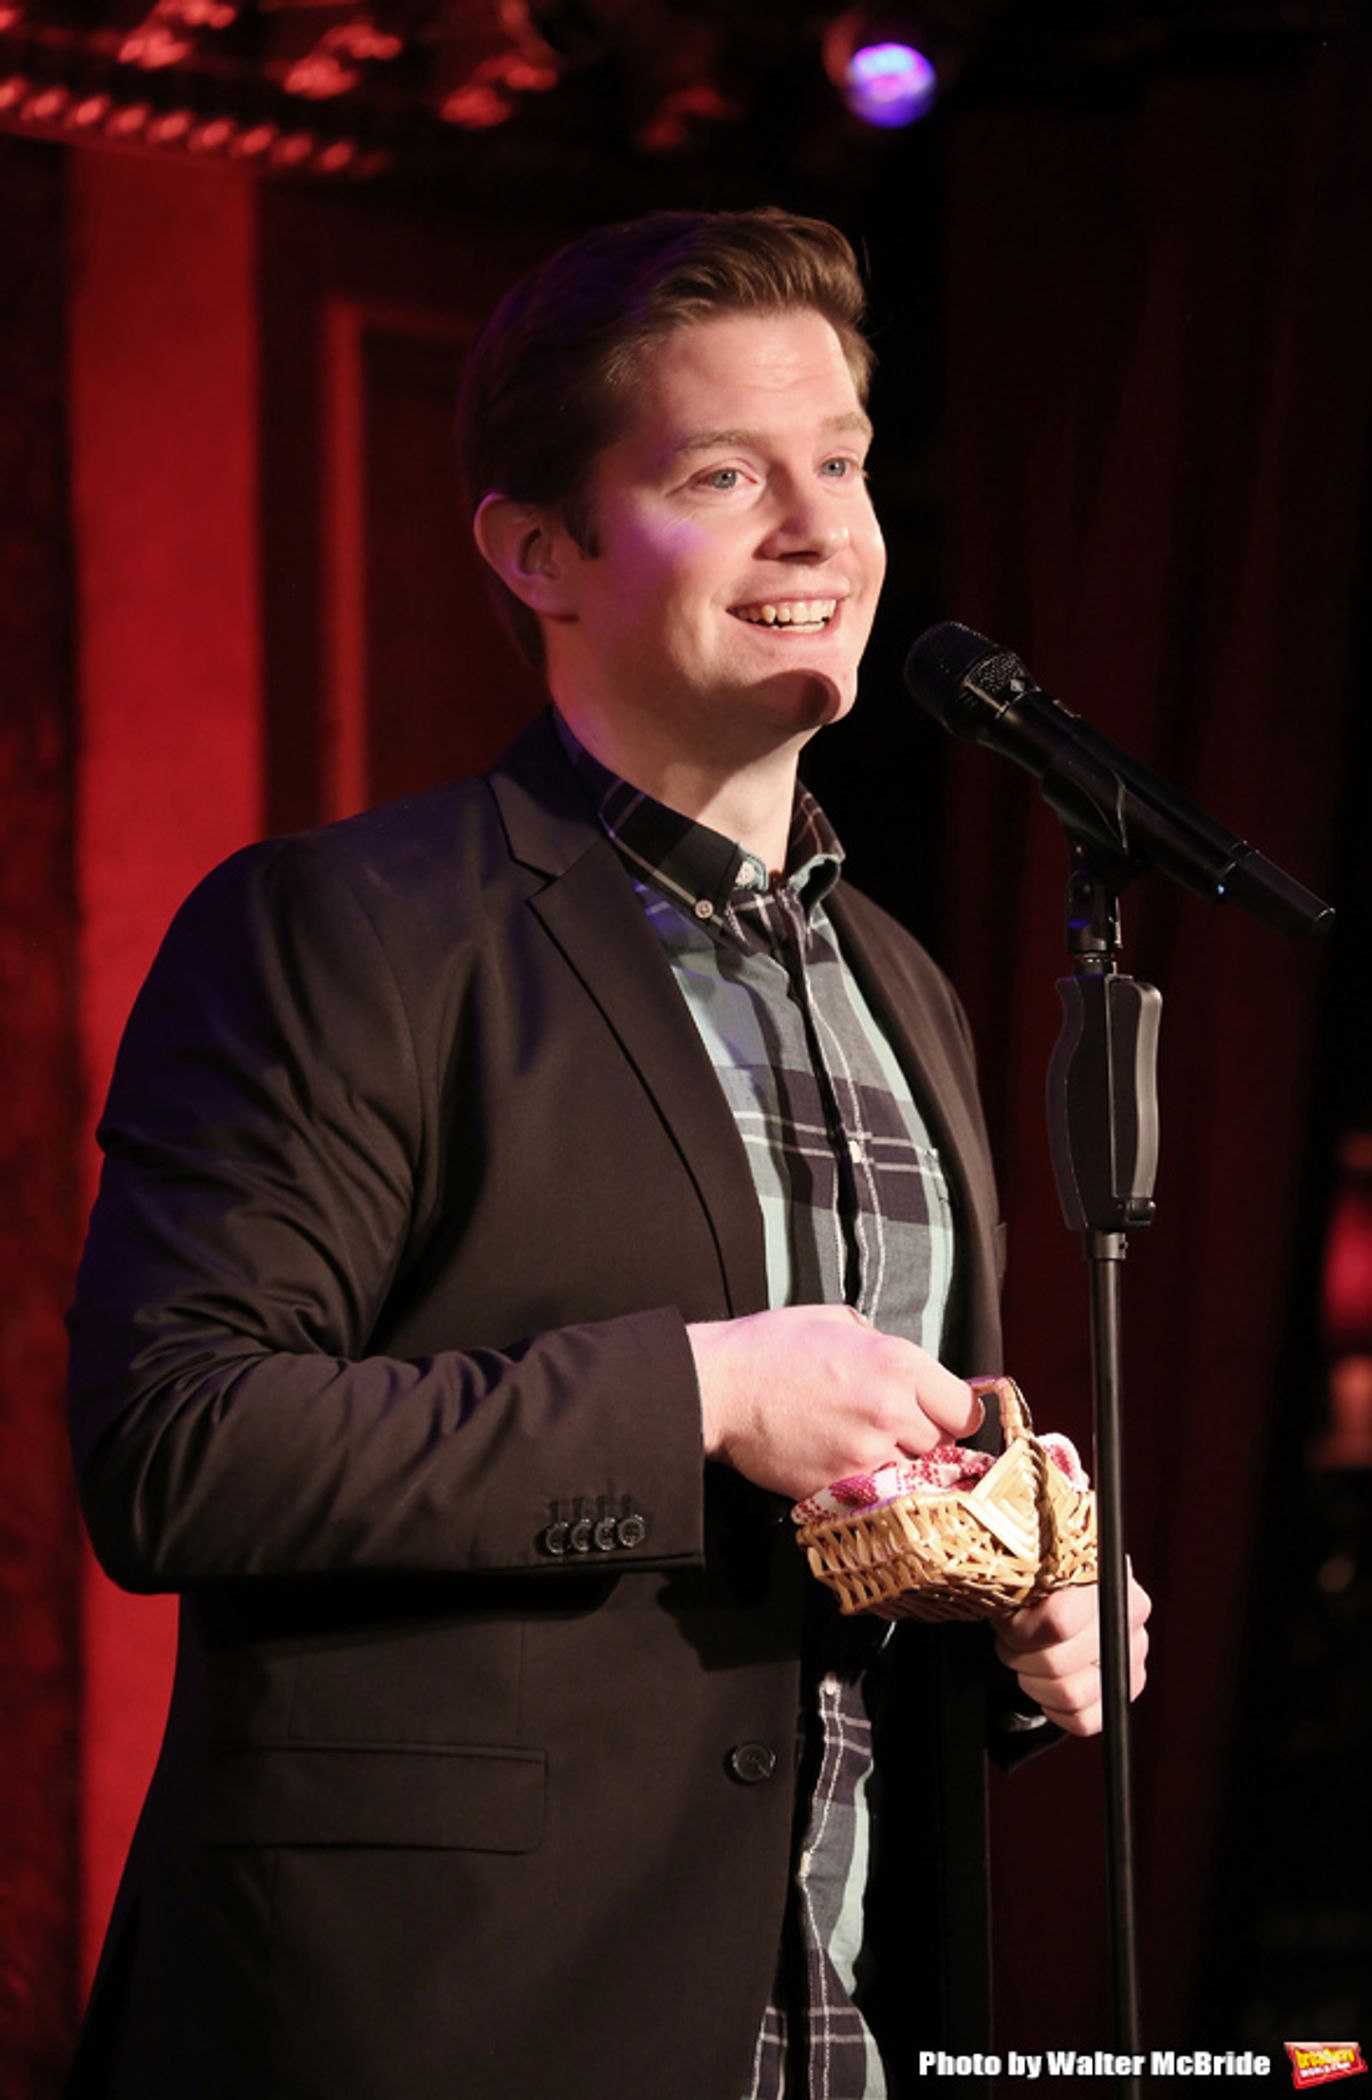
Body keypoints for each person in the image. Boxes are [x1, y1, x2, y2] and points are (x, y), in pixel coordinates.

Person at [66, 207, 1150, 2100]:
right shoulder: (348, 930)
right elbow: (176, 1445)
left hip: (833, 2024)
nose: (821, 529)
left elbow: (837, 1548)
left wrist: (1020, 1589)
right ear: (539, 549)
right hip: (446, 2025)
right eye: (728, 474)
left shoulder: (899, 983)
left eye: (843, 464)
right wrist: (701, 1398)